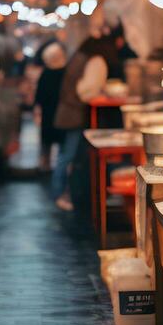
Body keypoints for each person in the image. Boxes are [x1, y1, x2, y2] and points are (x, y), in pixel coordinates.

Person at [51, 27, 125, 211]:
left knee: (66, 155)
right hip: (75, 113)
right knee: (69, 155)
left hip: (68, 111)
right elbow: (86, 92)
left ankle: (60, 193)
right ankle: (61, 194)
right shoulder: (96, 60)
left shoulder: (80, 55)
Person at [33, 40, 67, 172]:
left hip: (48, 111)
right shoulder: (65, 73)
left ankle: (45, 164)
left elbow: (39, 95)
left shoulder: (46, 74)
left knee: (46, 140)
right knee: (61, 141)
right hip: (61, 111)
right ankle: (59, 167)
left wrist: (37, 108)